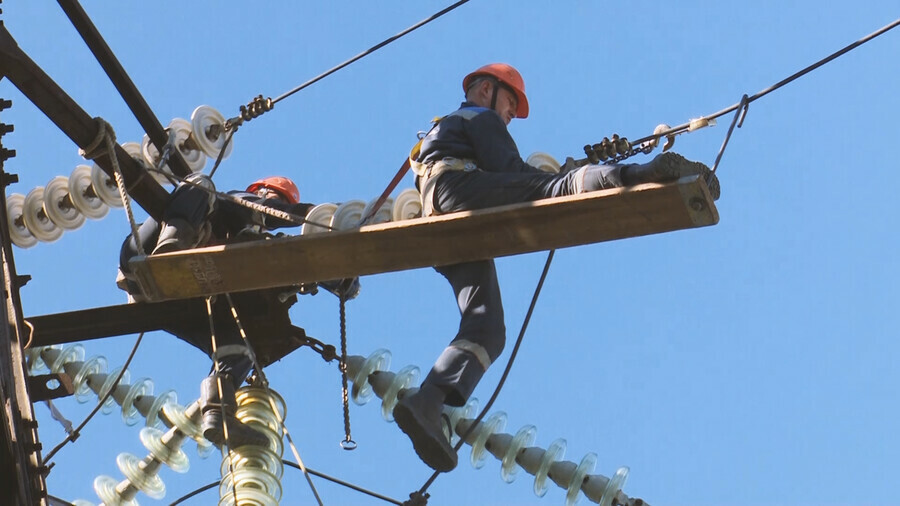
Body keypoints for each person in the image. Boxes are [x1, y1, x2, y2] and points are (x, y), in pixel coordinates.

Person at [393, 63, 717, 472]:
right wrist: (562, 178)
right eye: (510, 101)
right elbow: (511, 172)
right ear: (481, 90)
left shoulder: (441, 131)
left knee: (486, 329)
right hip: (460, 193)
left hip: (441, 219)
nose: (510, 113)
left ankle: (428, 401)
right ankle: (646, 173)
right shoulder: (478, 118)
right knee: (559, 190)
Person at [117, 174, 316, 448]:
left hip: (180, 296)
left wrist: (341, 274)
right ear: (259, 191)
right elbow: (264, 212)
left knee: (241, 346)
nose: (276, 204)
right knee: (200, 183)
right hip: (144, 256)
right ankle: (171, 246)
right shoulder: (229, 204)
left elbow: (301, 259)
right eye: (275, 197)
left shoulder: (256, 247)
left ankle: (217, 414)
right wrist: (320, 217)